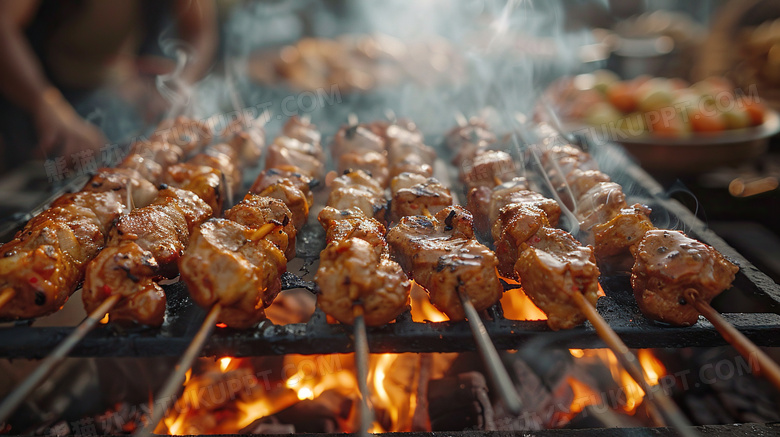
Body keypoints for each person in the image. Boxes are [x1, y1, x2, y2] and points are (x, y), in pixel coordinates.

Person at [0, 0, 217, 173]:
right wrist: (45, 102)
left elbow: (199, 29)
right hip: (29, 87)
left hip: (106, 91)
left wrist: (179, 85)